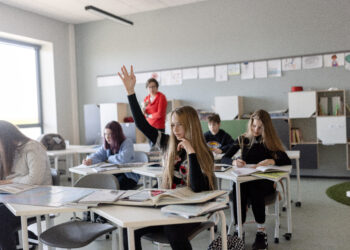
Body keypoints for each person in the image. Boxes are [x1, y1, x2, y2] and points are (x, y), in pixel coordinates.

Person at [118, 65, 215, 250]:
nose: (176, 129)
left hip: (192, 210)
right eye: (173, 125)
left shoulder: (203, 152)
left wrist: (191, 153)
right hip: (167, 207)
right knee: (128, 227)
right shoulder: (168, 143)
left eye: (180, 125)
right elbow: (142, 124)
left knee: (172, 229)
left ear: (192, 125)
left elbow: (197, 188)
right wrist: (130, 91)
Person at [221, 110, 291, 250]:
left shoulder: (270, 141)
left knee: (254, 187)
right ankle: (239, 229)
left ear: (266, 128)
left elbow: (286, 160)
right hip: (244, 180)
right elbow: (225, 158)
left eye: (260, 127)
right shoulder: (243, 139)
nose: (256, 130)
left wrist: (271, 160)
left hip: (263, 183)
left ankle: (261, 231)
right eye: (253, 126)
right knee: (237, 188)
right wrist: (234, 162)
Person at [0, 120, 52, 250]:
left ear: (5, 138)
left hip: (38, 199)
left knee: (1, 218)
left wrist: (10, 181)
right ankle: (21, 239)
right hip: (16, 196)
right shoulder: (9, 150)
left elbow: (35, 180)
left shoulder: (32, 147)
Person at [83, 121, 140, 190]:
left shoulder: (127, 142)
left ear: (117, 134)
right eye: (105, 134)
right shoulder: (108, 144)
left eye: (110, 134)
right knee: (102, 183)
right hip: (114, 174)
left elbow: (123, 159)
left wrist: (108, 159)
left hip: (128, 176)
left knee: (112, 186)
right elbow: (98, 155)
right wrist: (90, 160)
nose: (107, 137)